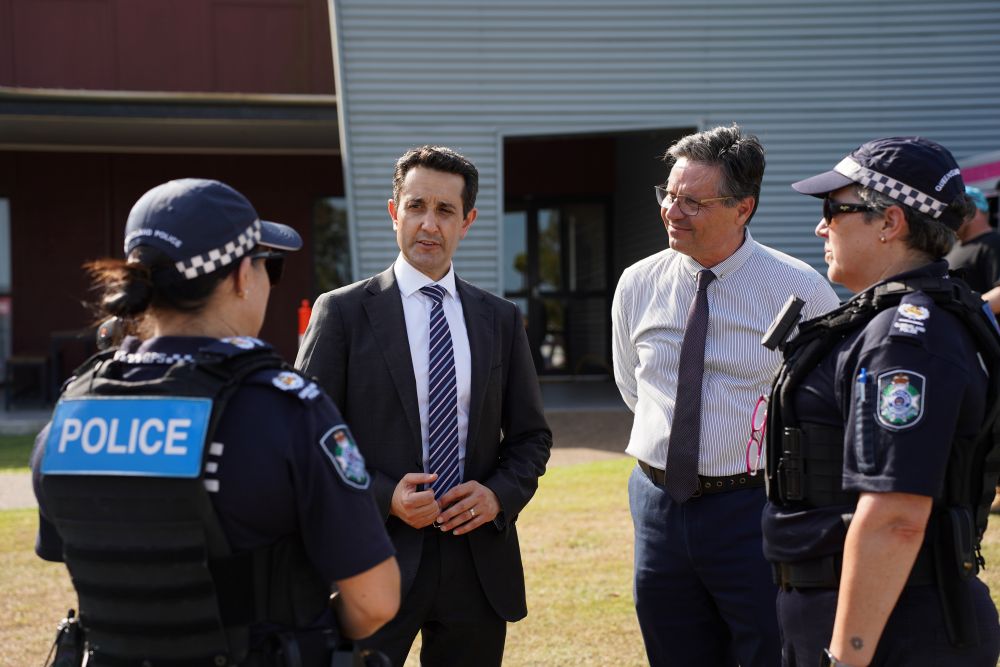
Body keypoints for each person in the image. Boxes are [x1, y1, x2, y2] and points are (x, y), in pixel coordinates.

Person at [30, 178, 400, 665]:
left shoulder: (73, 411)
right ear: (243, 276)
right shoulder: (286, 412)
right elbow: (375, 600)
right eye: (271, 266)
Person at [296, 145, 552, 666]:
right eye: (416, 206)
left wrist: (498, 495)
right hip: (373, 556)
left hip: (477, 562)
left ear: (468, 221)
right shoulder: (342, 313)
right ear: (394, 212)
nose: (428, 224)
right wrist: (386, 495)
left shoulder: (500, 319)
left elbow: (531, 437)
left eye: (445, 210)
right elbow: (308, 441)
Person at [762, 136, 1000, 666]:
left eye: (835, 210)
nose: (821, 227)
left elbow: (897, 516)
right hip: (870, 612)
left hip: (892, 628)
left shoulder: (905, 339)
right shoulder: (901, 320)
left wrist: (847, 657)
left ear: (890, 222)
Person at [610, 124, 840, 666]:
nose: (672, 210)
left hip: (753, 507)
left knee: (767, 648)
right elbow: (633, 386)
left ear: (743, 208)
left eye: (692, 200)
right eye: (668, 194)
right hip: (658, 502)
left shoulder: (801, 291)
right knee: (672, 650)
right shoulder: (638, 282)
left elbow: (826, 408)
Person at [945, 185, 1000, 293]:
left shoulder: (994, 243)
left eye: (956, 211)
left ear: (975, 211)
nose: (949, 218)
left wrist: (970, 307)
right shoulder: (953, 246)